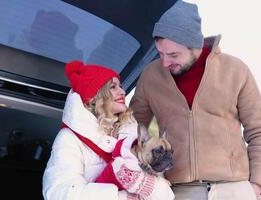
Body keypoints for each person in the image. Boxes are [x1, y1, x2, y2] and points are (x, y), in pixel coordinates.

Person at [129, 1, 261, 200]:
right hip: (177, 191)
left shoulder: (235, 70)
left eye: (173, 55)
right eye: (160, 53)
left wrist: (256, 186)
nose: (164, 62)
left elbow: (259, 130)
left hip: (234, 190)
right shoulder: (150, 76)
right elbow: (129, 130)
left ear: (194, 46)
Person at [42, 61, 174, 200]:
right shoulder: (69, 139)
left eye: (121, 86)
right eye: (113, 87)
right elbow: (58, 193)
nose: (122, 91)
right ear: (96, 95)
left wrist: (152, 188)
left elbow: (163, 193)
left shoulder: (133, 134)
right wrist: (122, 197)